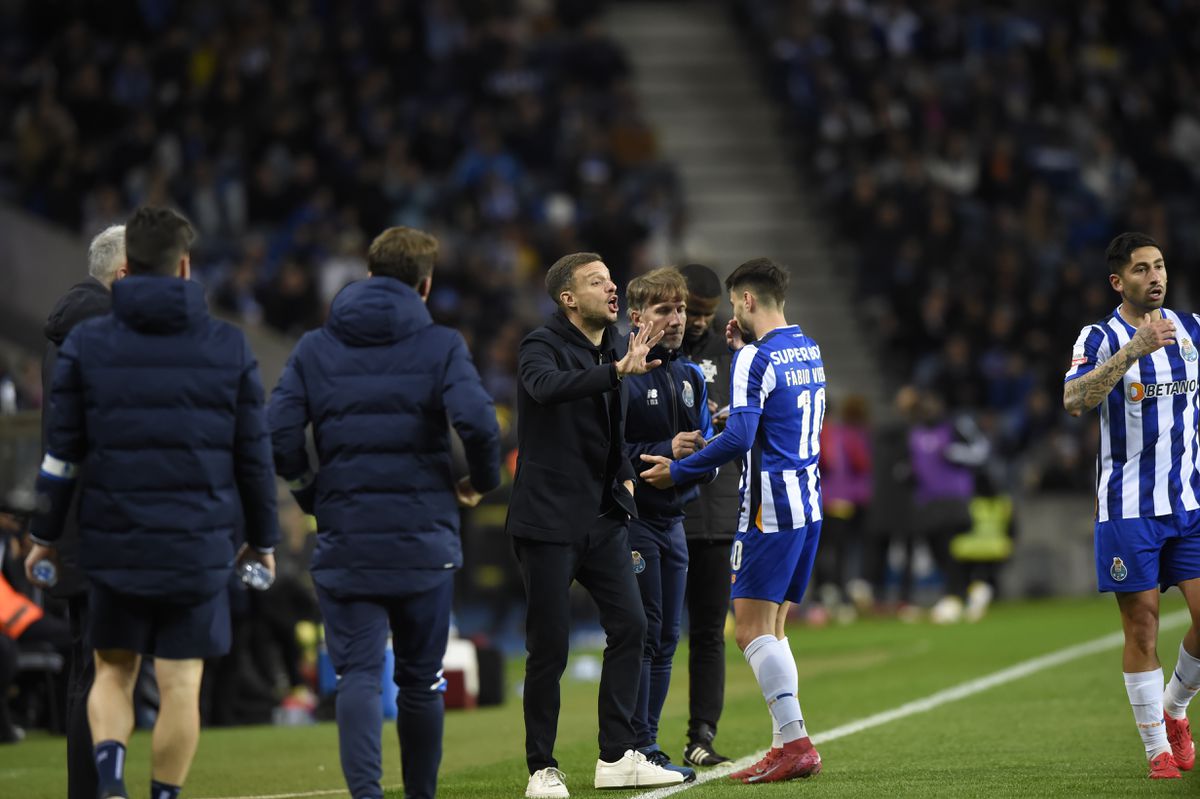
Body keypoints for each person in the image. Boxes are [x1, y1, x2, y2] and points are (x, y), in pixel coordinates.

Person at [25, 206, 279, 799]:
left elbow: (60, 456)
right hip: (196, 543)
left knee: (111, 671)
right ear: (184, 266)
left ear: (127, 268)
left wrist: (44, 532)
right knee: (181, 682)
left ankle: (109, 784)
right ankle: (164, 794)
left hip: (113, 541)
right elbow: (253, 459)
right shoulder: (226, 345)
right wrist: (261, 542)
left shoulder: (88, 345)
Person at [268, 226, 501, 799]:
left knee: (358, 676)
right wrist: (480, 483)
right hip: (424, 542)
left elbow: (278, 432)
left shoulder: (314, 347)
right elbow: (478, 421)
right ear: (425, 285)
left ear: (368, 274)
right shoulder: (442, 344)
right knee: (421, 681)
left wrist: (306, 492)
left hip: (347, 539)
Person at [641, 257, 826, 784]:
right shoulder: (806, 348)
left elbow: (741, 439)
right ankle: (780, 742)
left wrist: (678, 470)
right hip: (807, 504)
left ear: (744, 301)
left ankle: (796, 742)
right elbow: (778, 416)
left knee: (747, 632)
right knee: (774, 628)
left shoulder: (754, 360)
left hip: (768, 507)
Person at [507, 252, 683, 798]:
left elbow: (609, 433)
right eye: (597, 282)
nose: (612, 290)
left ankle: (616, 756)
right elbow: (545, 389)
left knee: (632, 627)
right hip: (548, 522)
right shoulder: (541, 345)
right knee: (550, 648)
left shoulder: (613, 347)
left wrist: (624, 480)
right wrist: (615, 372)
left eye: (611, 281)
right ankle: (542, 767)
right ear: (568, 298)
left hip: (603, 519)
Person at [1063, 232, 1200, 780]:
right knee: (1143, 629)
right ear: (1119, 281)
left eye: (1160, 266)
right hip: (1127, 509)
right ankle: (1156, 753)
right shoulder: (1099, 336)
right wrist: (1131, 352)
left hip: (1189, 502)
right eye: (1142, 269)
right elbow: (1074, 399)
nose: (1155, 276)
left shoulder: (1192, 330)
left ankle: (1173, 711)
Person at [39, 224, 128, 799]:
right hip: (103, 525)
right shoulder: (106, 335)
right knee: (104, 672)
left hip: (74, 526)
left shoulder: (67, 333)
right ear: (125, 275)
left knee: (88, 670)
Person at [621, 267, 714, 783]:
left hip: (674, 520)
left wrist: (692, 461)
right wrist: (662, 455)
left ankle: (648, 743)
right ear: (636, 317)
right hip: (632, 520)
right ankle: (634, 744)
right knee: (645, 631)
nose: (677, 320)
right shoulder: (620, 374)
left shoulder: (690, 377)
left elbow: (703, 453)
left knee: (666, 636)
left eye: (679, 310)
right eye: (664, 310)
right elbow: (607, 451)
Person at [677, 262, 739, 767]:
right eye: (690, 312)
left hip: (716, 515)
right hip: (658, 514)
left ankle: (701, 735)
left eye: (705, 314)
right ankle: (633, 740)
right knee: (644, 633)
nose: (697, 322)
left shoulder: (733, 351)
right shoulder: (652, 349)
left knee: (707, 633)